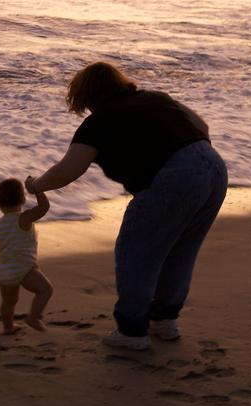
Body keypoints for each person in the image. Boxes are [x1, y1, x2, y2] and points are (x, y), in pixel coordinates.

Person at [25, 61, 228, 350]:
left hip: (174, 177)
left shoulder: (99, 122)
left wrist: (36, 185)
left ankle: (133, 332)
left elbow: (67, 171)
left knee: (136, 251)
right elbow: (202, 126)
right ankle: (165, 321)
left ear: (85, 95)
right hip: (213, 167)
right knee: (182, 249)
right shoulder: (155, 98)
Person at [0, 178, 54, 335]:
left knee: (9, 301)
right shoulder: (24, 218)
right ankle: (34, 317)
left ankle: (8, 328)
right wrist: (37, 189)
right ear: (23, 199)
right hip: (24, 267)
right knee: (45, 290)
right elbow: (44, 207)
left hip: (4, 269)